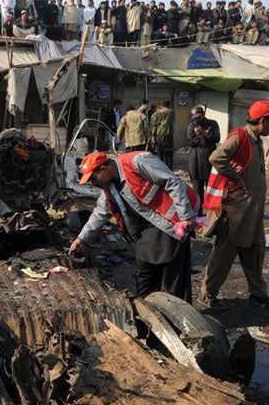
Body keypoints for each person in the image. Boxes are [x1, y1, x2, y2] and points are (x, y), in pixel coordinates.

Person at [68, 151, 198, 302]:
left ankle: (178, 316)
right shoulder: (109, 188)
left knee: (173, 277)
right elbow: (100, 214)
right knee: (145, 276)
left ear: (103, 169)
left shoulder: (138, 162)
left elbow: (172, 181)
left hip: (171, 222)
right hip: (146, 229)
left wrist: (186, 215)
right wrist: (81, 239)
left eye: (93, 178)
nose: (93, 184)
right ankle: (149, 311)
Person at [199, 100, 269, 310]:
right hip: (236, 210)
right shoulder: (240, 136)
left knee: (255, 252)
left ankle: (258, 294)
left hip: (252, 211)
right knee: (224, 254)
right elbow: (216, 157)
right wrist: (235, 177)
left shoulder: (256, 140)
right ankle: (207, 294)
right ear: (263, 121)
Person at [187, 105, 220, 213]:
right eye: (195, 118)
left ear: (203, 114)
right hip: (195, 161)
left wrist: (205, 134)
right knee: (197, 191)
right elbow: (190, 142)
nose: (197, 119)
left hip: (209, 160)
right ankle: (198, 213)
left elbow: (216, 138)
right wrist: (198, 136)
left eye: (198, 117)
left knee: (211, 189)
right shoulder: (191, 126)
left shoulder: (213, 123)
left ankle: (211, 214)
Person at [150, 101, 175, 169]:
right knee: (169, 154)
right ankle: (169, 169)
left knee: (159, 153)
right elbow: (172, 121)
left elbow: (153, 126)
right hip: (168, 136)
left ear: (162, 105)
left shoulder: (156, 113)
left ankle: (161, 169)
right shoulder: (171, 112)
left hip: (159, 136)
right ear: (169, 105)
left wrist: (153, 136)